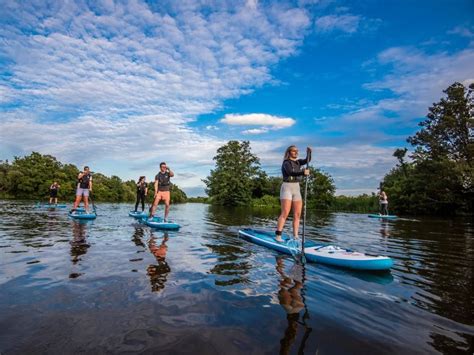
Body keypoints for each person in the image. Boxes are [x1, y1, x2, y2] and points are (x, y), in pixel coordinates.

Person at [275, 146, 312, 242]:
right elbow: (291, 172)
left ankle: (296, 236)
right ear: (289, 152)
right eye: (294, 151)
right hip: (287, 187)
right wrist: (303, 172)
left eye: (297, 151)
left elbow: (307, 160)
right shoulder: (286, 163)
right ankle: (278, 236)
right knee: (285, 212)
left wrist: (309, 153)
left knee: (297, 214)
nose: (296, 152)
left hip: (296, 188)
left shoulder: (298, 162)